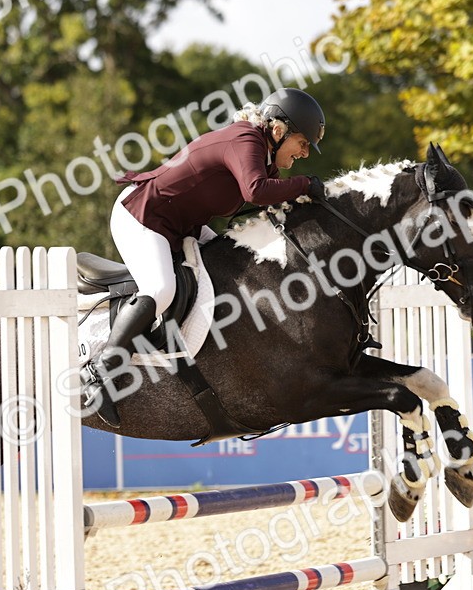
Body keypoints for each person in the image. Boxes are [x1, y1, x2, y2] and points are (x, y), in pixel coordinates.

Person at [82, 87, 327, 427]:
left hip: (182, 228)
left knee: (229, 261)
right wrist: (304, 185)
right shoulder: (245, 140)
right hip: (143, 216)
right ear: (278, 130)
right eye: (303, 143)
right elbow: (254, 192)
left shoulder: (265, 158)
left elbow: (269, 202)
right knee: (161, 289)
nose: (305, 153)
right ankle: (101, 371)